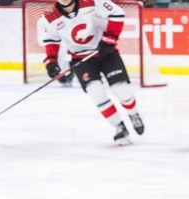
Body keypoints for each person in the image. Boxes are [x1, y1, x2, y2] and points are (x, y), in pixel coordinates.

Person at [40, 0, 145, 143]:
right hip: (81, 59)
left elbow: (117, 13)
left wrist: (110, 39)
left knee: (121, 89)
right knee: (96, 93)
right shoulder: (49, 16)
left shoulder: (92, 1)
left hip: (106, 53)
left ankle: (133, 114)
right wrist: (51, 62)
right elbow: (51, 40)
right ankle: (119, 127)